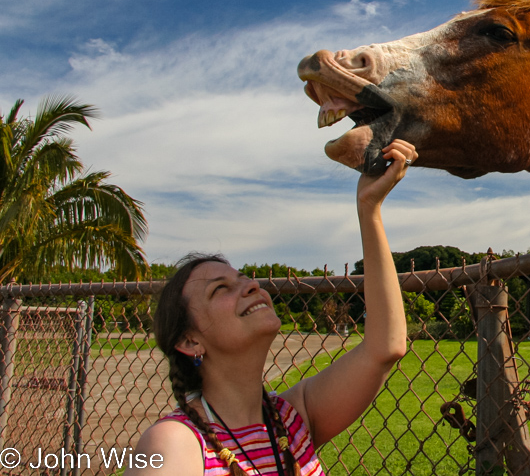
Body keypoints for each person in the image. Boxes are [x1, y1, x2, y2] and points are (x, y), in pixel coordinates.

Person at [127, 140, 417, 475]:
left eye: (243, 279)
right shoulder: (174, 443)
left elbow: (386, 347)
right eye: (221, 288)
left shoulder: (292, 419)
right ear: (190, 341)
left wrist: (369, 207)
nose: (251, 285)